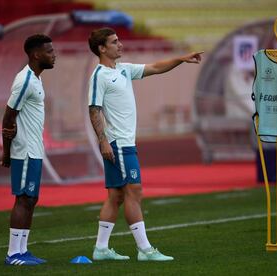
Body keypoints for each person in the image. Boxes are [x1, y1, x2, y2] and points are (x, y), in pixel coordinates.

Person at [87, 27, 203, 261]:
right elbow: (94, 109)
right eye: (114, 42)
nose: (120, 45)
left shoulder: (123, 70)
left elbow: (156, 67)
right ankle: (145, 250)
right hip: (118, 143)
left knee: (116, 196)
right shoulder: (99, 75)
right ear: (102, 48)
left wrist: (181, 59)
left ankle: (101, 249)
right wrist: (103, 141)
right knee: (134, 190)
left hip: (123, 143)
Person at [0, 34, 56, 266]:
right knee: (23, 199)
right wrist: (6, 153)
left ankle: (23, 250)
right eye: (49, 51)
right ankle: (13, 254)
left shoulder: (36, 78)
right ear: (36, 54)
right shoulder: (24, 80)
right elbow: (8, 116)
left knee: (31, 199)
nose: (54, 55)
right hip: (23, 151)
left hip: (34, 149)